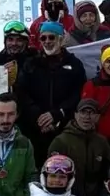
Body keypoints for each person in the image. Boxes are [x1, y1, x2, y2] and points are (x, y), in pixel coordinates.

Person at [16, 20, 87, 165]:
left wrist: (58, 114)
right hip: (35, 130)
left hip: (65, 129)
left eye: (52, 37)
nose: (47, 42)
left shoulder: (74, 64)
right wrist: (39, 117)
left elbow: (79, 93)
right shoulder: (31, 64)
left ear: (61, 39)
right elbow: (22, 93)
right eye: (43, 38)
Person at [47, 98, 110, 196]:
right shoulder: (61, 141)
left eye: (91, 112)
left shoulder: (101, 142)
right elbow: (51, 175)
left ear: (97, 117)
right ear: (75, 115)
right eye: (83, 112)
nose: (87, 117)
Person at [0, 21, 36, 87]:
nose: (14, 43)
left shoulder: (37, 62)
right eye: (10, 40)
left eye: (19, 40)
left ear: (26, 43)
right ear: (5, 42)